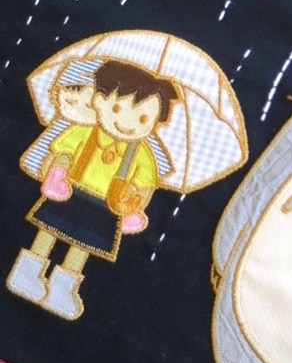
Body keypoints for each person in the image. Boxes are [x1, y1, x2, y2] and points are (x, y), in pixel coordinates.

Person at [6, 60, 178, 320]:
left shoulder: (142, 154)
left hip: (106, 206)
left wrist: (133, 204)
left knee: (84, 244)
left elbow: (144, 184)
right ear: (99, 101)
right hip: (70, 190)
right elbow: (63, 150)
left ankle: (62, 289)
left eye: (143, 118)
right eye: (117, 108)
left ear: (155, 123)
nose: (128, 123)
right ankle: (28, 273)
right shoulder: (84, 131)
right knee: (48, 230)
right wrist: (57, 171)